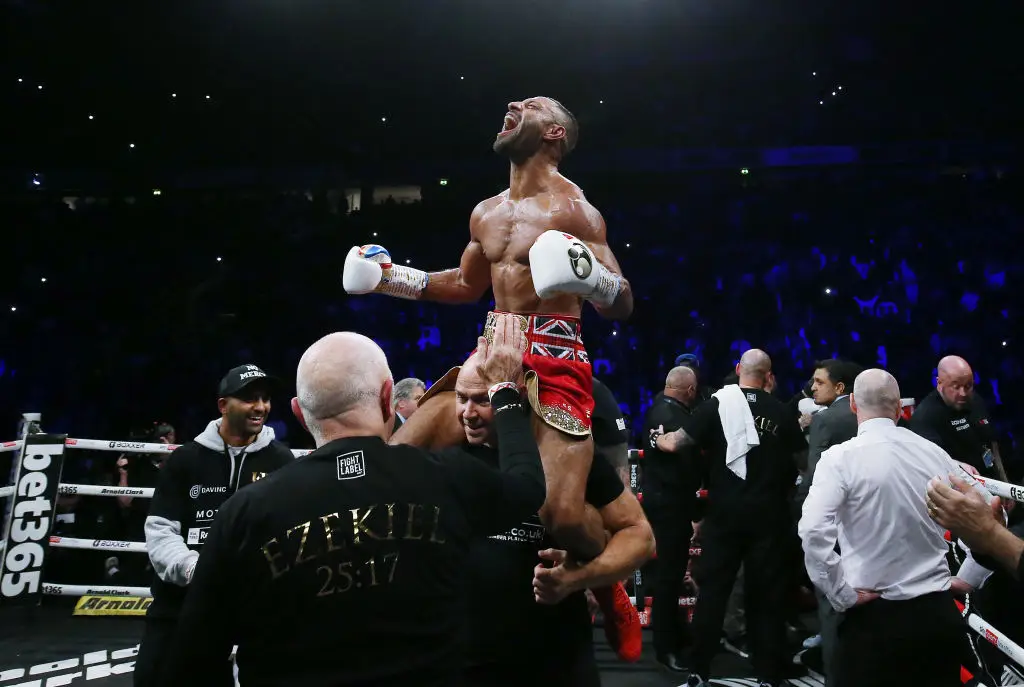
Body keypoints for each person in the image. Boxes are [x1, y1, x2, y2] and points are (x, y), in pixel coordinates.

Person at [344, 96, 637, 648]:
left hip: (555, 361)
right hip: (491, 352)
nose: (511, 104)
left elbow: (621, 304)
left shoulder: (574, 210)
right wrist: (389, 278)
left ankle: (606, 582)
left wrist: (590, 277)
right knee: (400, 457)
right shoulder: (486, 211)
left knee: (561, 516)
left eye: (528, 105)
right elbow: (465, 283)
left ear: (552, 132)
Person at [158, 326, 549, 687]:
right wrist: (504, 391)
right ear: (386, 396)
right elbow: (527, 488)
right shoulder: (445, 477)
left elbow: (192, 662)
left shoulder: (243, 513)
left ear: (298, 411)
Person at [430, 352, 653, 686]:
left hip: (557, 655)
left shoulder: (562, 454)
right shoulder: (444, 453)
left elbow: (640, 536)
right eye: (462, 399)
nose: (468, 413)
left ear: (516, 397)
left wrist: (580, 576)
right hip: (468, 657)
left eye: (482, 400)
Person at [800, 369, 975, 687]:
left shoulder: (840, 459)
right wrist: (970, 576)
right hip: (936, 613)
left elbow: (812, 532)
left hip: (873, 617)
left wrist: (841, 595)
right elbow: (989, 511)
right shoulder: (934, 454)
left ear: (853, 404)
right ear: (900, 408)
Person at [135, 365, 295, 687]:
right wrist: (196, 570)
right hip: (181, 601)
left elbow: (289, 533)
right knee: (153, 678)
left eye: (264, 399)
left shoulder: (281, 462)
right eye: (250, 398)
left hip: (252, 606)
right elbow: (161, 530)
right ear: (223, 405)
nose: (261, 407)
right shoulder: (186, 460)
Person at [653, 349, 805, 687]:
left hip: (725, 513)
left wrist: (657, 438)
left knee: (713, 592)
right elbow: (802, 461)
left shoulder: (716, 405)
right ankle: (767, 674)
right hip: (769, 515)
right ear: (769, 376)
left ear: (738, 370)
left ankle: (699, 669)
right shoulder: (780, 411)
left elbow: (678, 443)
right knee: (765, 595)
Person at [795, 358, 861, 680]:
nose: (812, 387)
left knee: (832, 607)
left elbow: (812, 480)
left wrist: (798, 512)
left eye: (819, 382)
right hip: (865, 523)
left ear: (840, 387)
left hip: (833, 523)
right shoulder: (866, 415)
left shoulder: (827, 420)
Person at [641, 365, 702, 672]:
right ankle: (666, 647)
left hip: (663, 504)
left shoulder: (656, 409)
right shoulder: (677, 419)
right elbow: (687, 469)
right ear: (689, 391)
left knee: (671, 576)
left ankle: (674, 638)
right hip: (671, 507)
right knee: (668, 577)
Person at [910, 355, 1006, 480]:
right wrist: (955, 466)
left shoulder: (976, 400)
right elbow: (929, 463)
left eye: (968, 385)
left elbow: (993, 445)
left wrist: (1004, 481)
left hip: (992, 481)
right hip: (959, 489)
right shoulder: (924, 417)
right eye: (956, 387)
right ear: (939, 383)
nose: (963, 393)